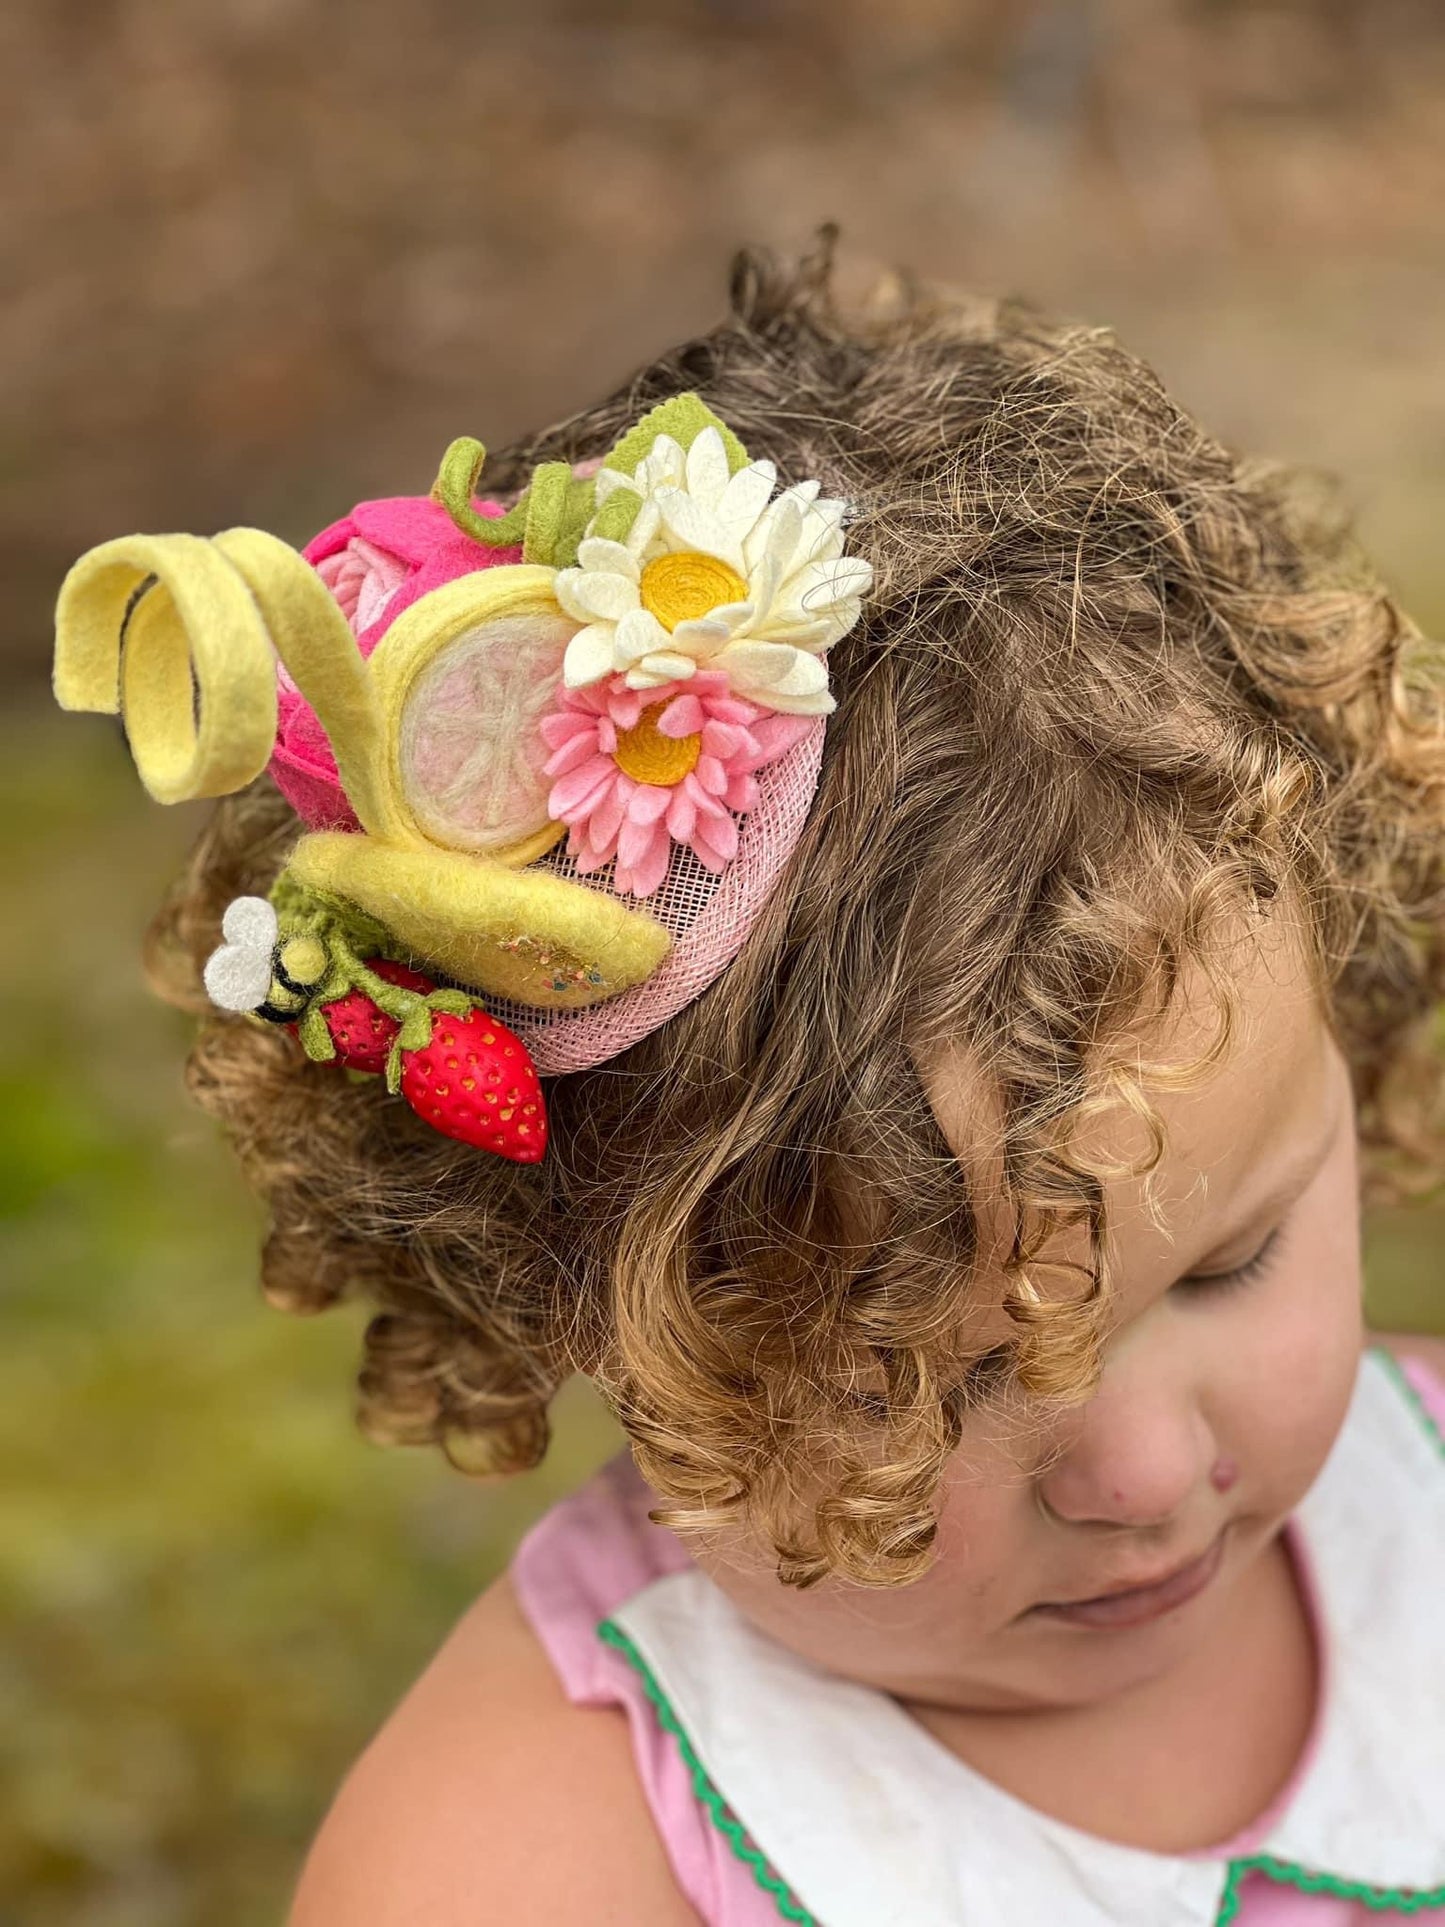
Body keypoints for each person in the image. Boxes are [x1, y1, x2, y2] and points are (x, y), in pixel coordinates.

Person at [54, 239, 1445, 1925]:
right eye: (932, 1379)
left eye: (1228, 1263)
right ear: (576, 1297)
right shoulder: (528, 1868)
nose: (1140, 1474)